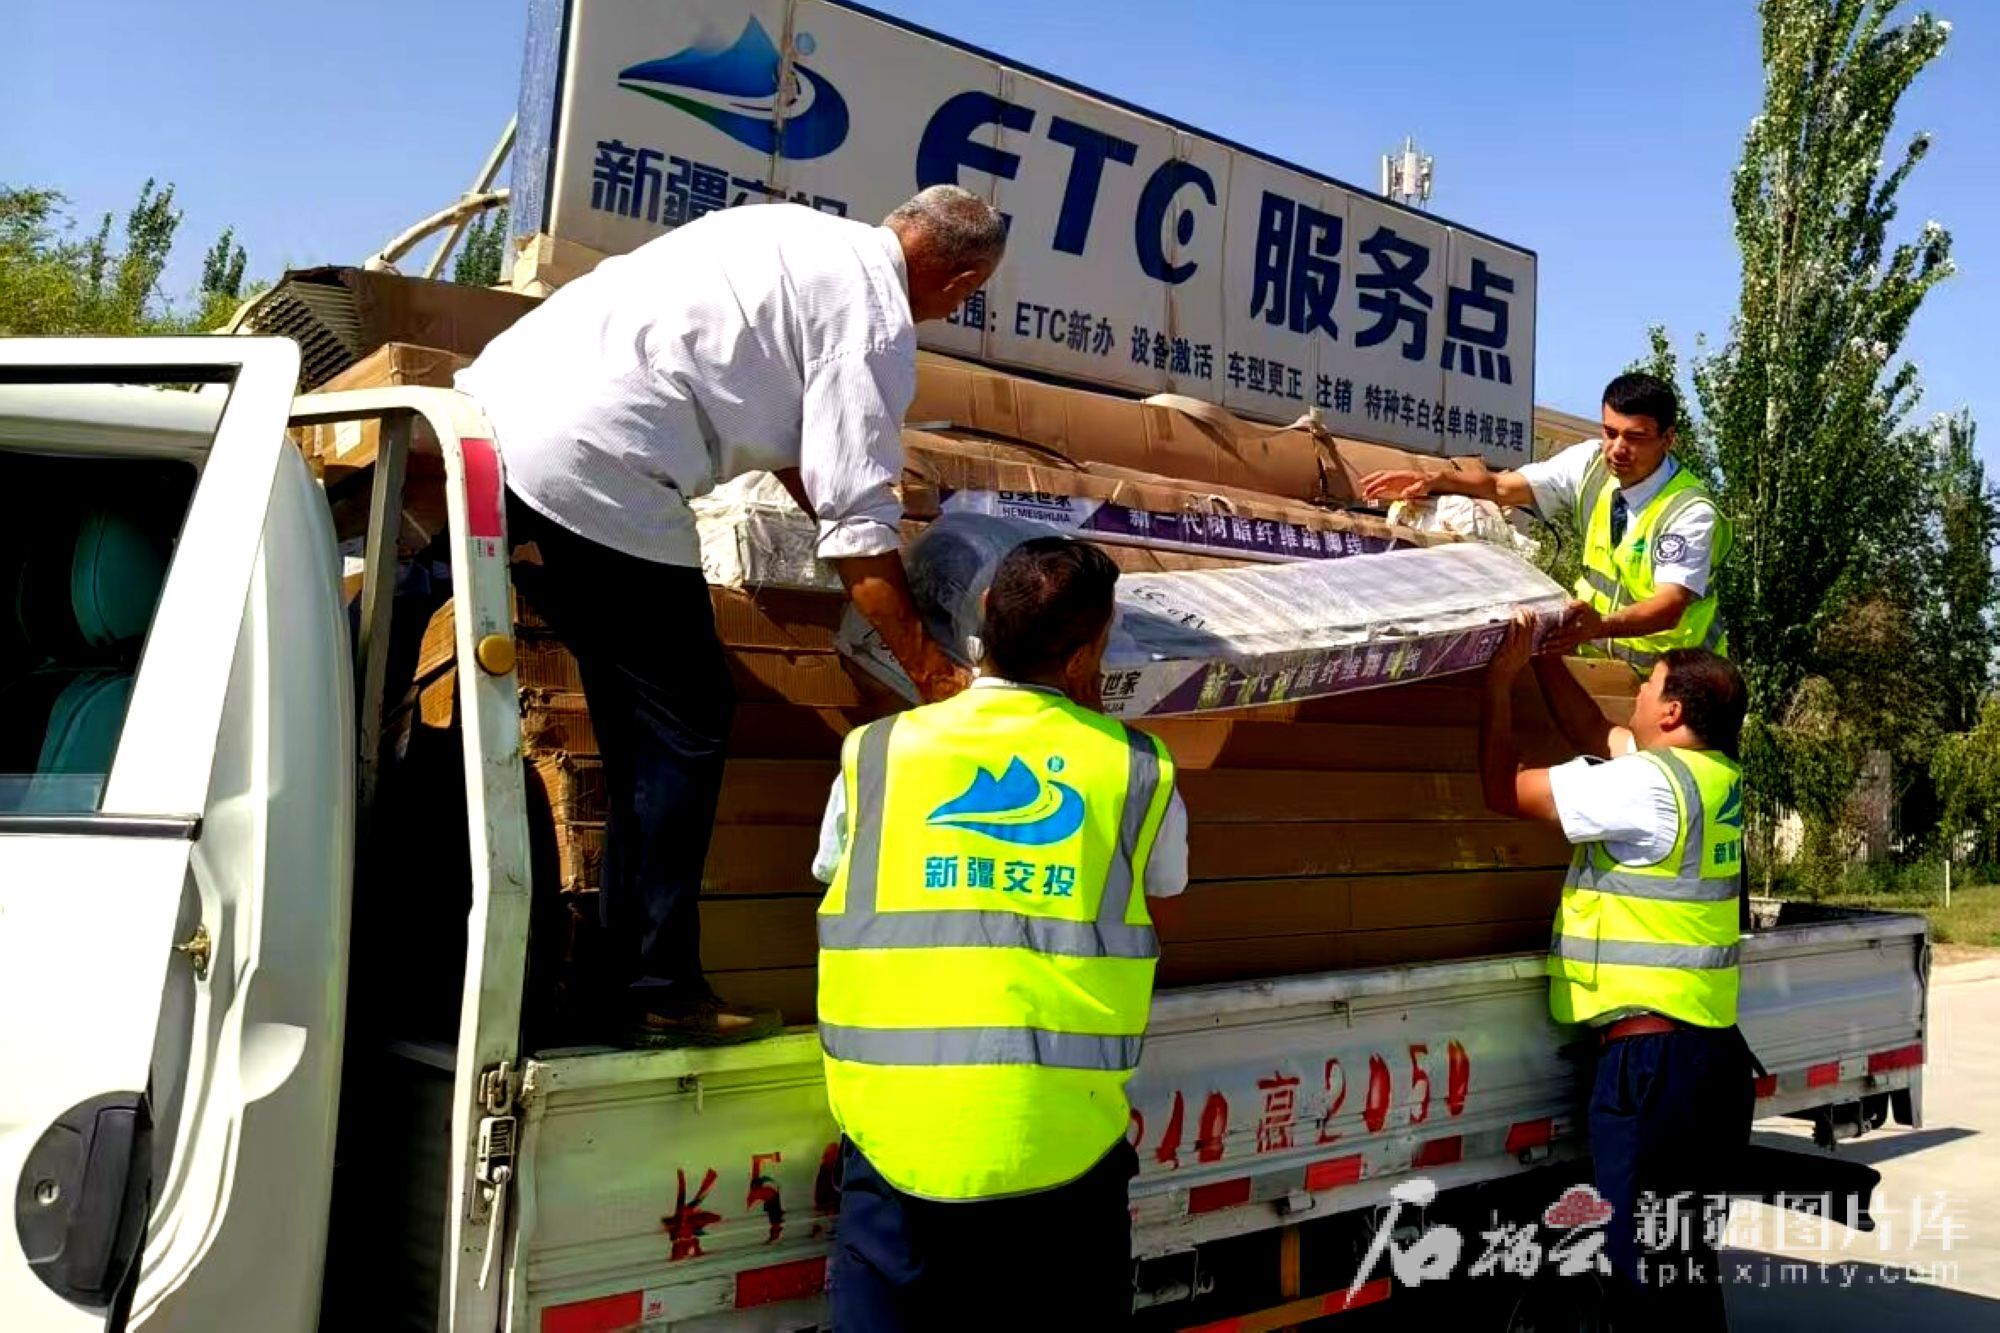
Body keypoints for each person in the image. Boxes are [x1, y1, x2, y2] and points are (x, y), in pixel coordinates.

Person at [455, 185, 1008, 1046]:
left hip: (498, 403)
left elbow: (805, 451)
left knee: (636, 717)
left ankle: (609, 970)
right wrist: (937, 676)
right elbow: (859, 530)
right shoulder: (873, 324)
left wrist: (849, 512)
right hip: (600, 459)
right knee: (686, 719)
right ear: (962, 280)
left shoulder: (791, 229)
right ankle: (654, 986)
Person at [810, 537, 1189, 1330]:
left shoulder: (878, 752)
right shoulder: (1135, 770)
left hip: (895, 1142)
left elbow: (834, 874)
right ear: (1085, 655)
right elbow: (1164, 893)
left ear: (982, 614)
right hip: (1062, 1150)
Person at [1478, 612, 1754, 1328]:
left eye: (1647, 685)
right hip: (1709, 1059)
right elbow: (1595, 734)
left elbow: (1503, 791)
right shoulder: (1711, 778)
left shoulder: (1647, 786)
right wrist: (1544, 659)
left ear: (1672, 711)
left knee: (1637, 1276)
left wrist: (1499, 683)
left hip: (1652, 1067)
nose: (1634, 694)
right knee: (1684, 1265)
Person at [1361, 373, 1731, 669]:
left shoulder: (1689, 511)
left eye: (1636, 437)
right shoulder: (1590, 464)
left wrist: (1598, 626)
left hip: (1675, 679)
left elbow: (1669, 606)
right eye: (1610, 432)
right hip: (1598, 660)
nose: (1618, 448)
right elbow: (1503, 486)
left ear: (1668, 439)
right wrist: (1435, 480)